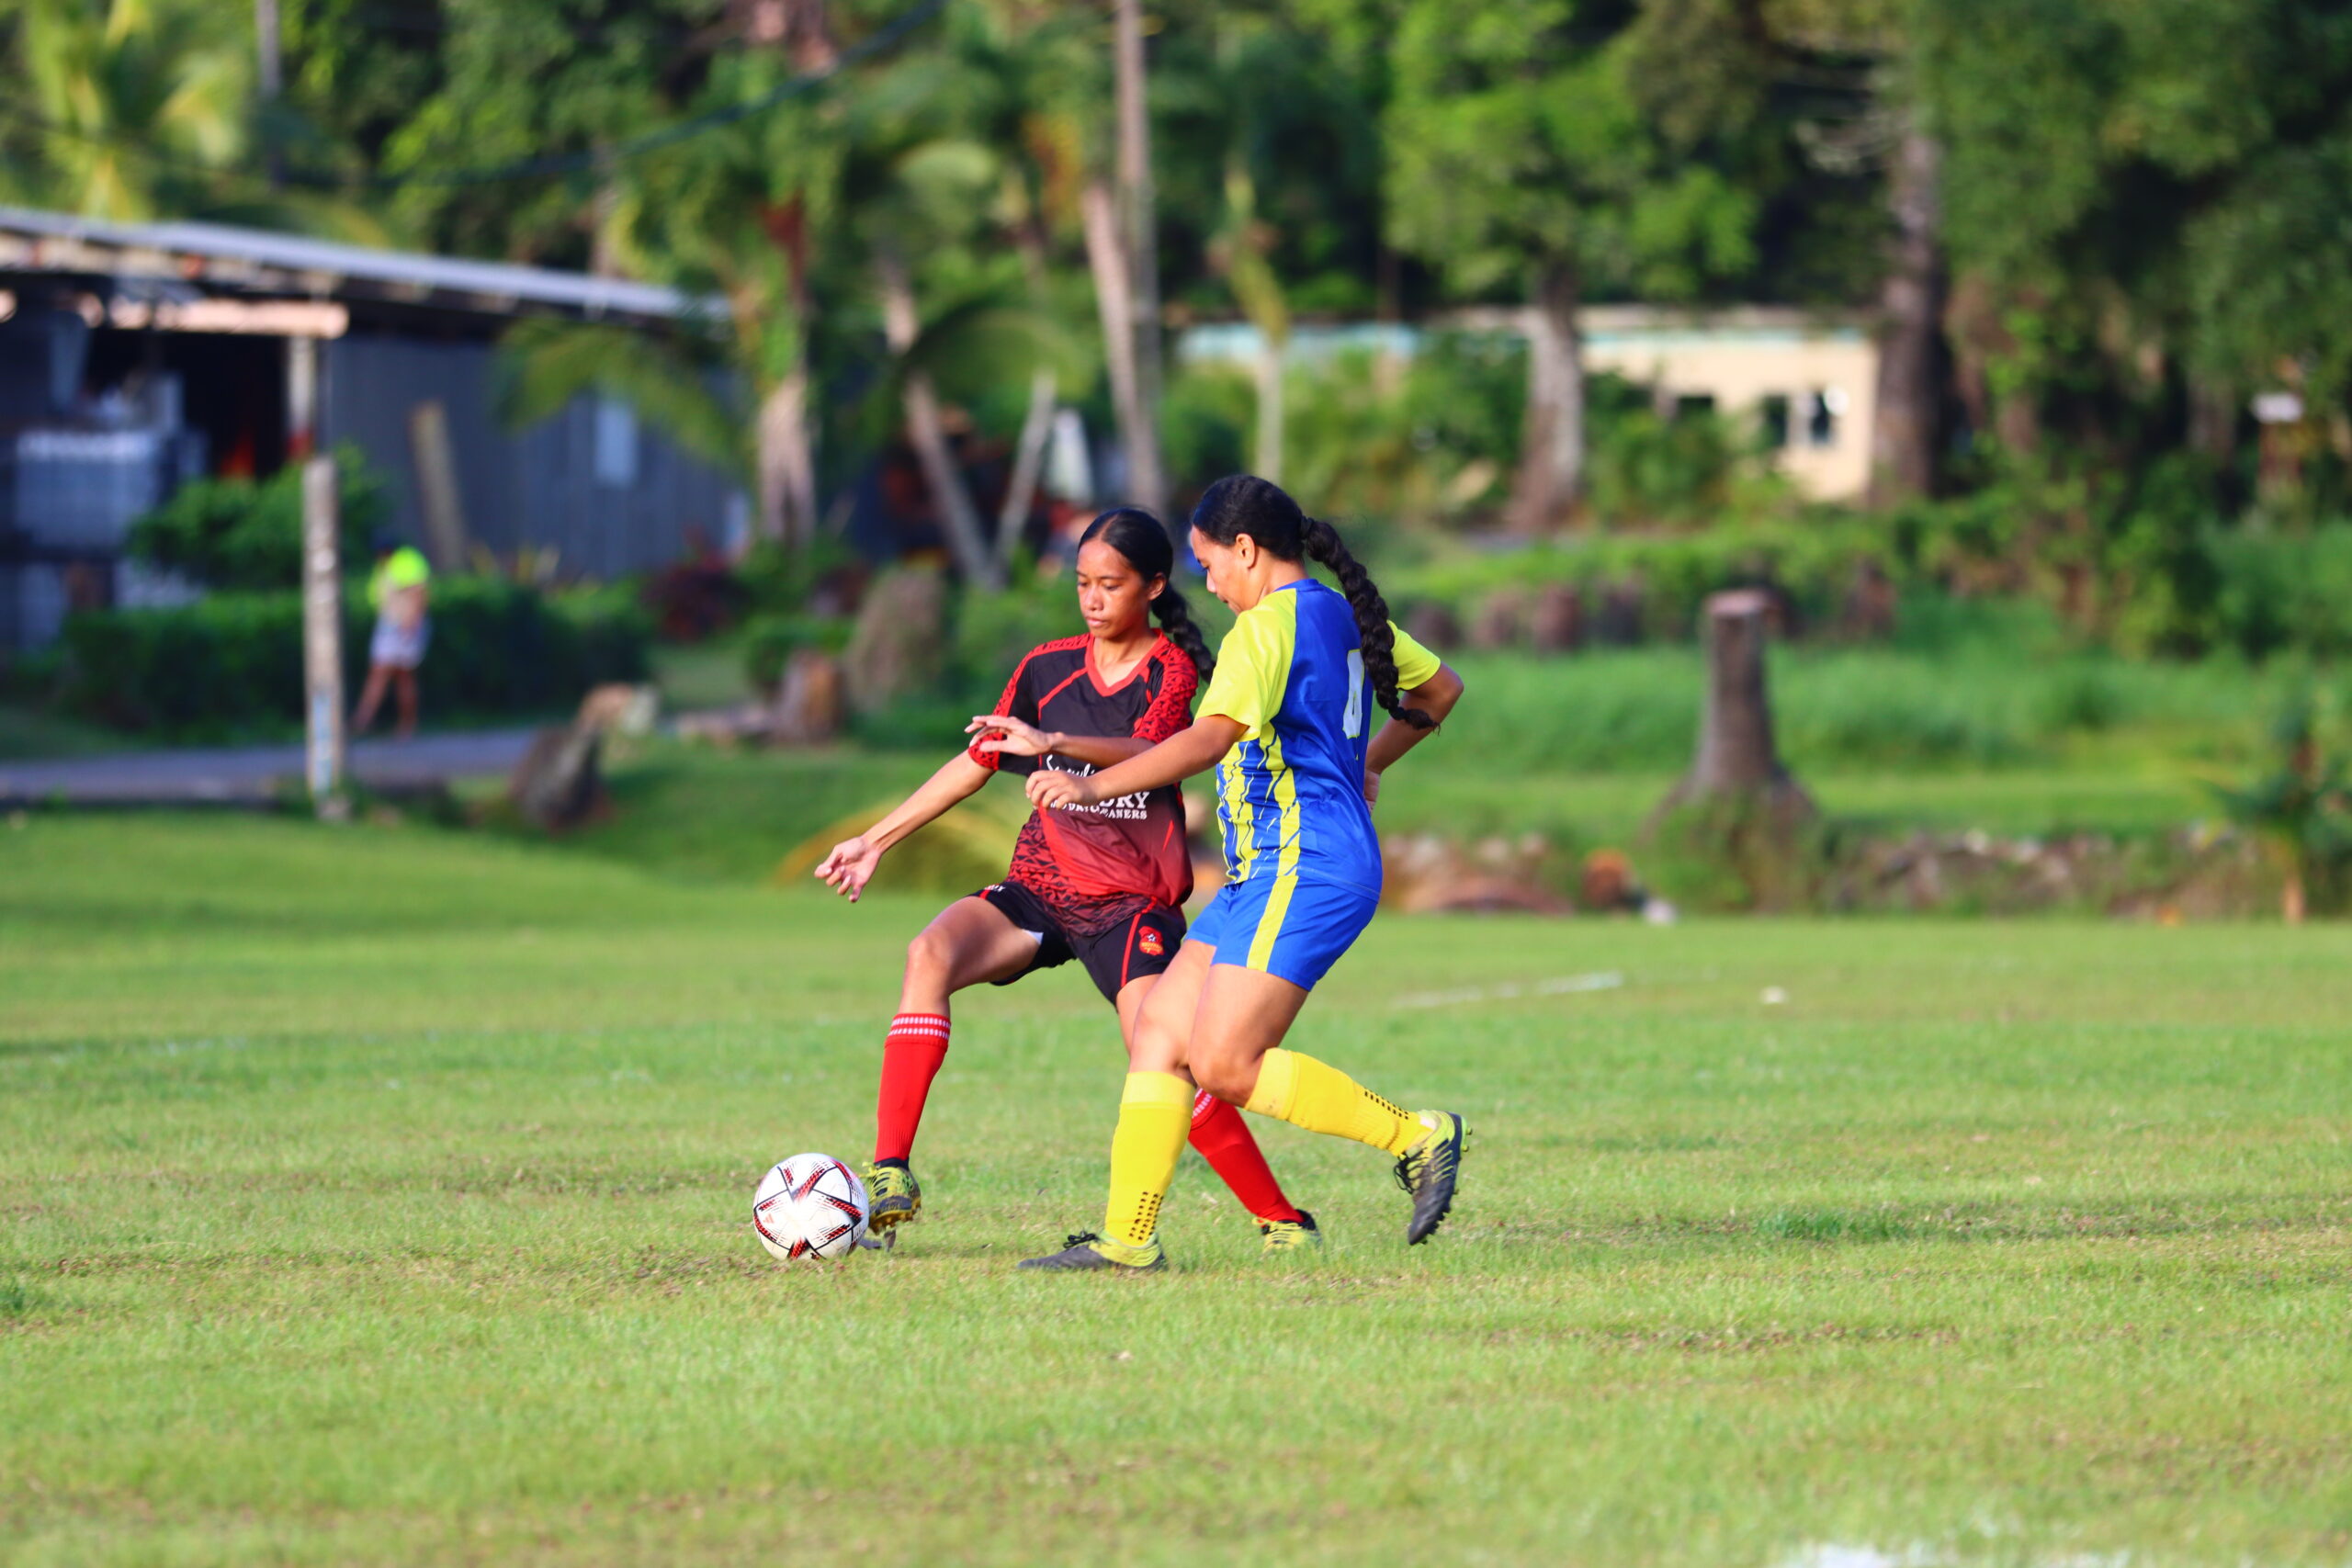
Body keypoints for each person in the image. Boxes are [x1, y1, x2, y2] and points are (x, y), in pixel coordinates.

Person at [812, 509, 1322, 1255]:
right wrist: (874, 839)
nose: (1092, 598)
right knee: (929, 954)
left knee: (1169, 1055)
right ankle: (890, 1171)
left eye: (1110, 584)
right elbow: (975, 761)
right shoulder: (1045, 667)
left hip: (1127, 906)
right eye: (1082, 582)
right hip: (1040, 888)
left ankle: (1282, 1219)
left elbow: (1150, 747)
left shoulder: (1172, 668)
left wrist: (1054, 742)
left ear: (1152, 586)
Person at [1016, 474, 1468, 1274]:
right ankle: (1128, 1238)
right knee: (1160, 1029)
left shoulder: (1262, 631)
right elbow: (1440, 689)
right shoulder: (1337, 610)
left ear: (1248, 551)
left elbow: (1209, 737)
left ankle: (1418, 1136)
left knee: (1226, 1063)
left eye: (1209, 564)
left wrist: (1087, 784)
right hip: (1270, 869)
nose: (1211, 585)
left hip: (1304, 865)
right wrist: (1367, 766)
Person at [352, 534, 432, 739]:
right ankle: (364, 721)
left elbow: (419, 592)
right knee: (382, 671)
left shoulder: (406, 560)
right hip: (389, 623)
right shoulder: (384, 566)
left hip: (405, 624)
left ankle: (404, 725)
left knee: (402, 674)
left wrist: (412, 622)